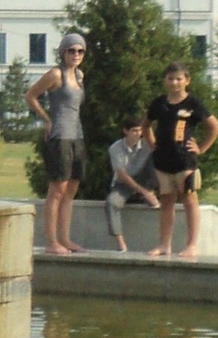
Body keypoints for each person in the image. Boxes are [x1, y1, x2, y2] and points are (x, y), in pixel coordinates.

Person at [145, 61, 218, 259]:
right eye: (170, 79)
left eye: (178, 79)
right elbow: (146, 125)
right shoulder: (159, 103)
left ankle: (192, 245)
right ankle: (164, 244)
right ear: (165, 80)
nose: (174, 83)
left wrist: (201, 148)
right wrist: (152, 144)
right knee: (166, 201)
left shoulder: (193, 104)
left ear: (187, 80)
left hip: (185, 161)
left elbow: (215, 127)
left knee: (189, 200)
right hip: (163, 161)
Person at [25, 31, 89, 253]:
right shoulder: (55, 74)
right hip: (59, 136)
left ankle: (65, 238)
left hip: (77, 135)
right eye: (72, 50)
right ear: (63, 52)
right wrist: (47, 119)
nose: (76, 54)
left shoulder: (79, 75)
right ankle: (51, 241)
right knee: (57, 190)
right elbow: (31, 95)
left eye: (80, 51)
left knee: (71, 188)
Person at [104, 112, 162, 251]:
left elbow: (157, 149)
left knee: (158, 157)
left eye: (140, 130)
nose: (138, 134)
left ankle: (151, 194)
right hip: (124, 184)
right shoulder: (116, 148)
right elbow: (122, 175)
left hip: (144, 180)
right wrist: (144, 192)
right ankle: (121, 244)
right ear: (126, 131)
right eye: (134, 130)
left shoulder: (146, 144)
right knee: (111, 203)